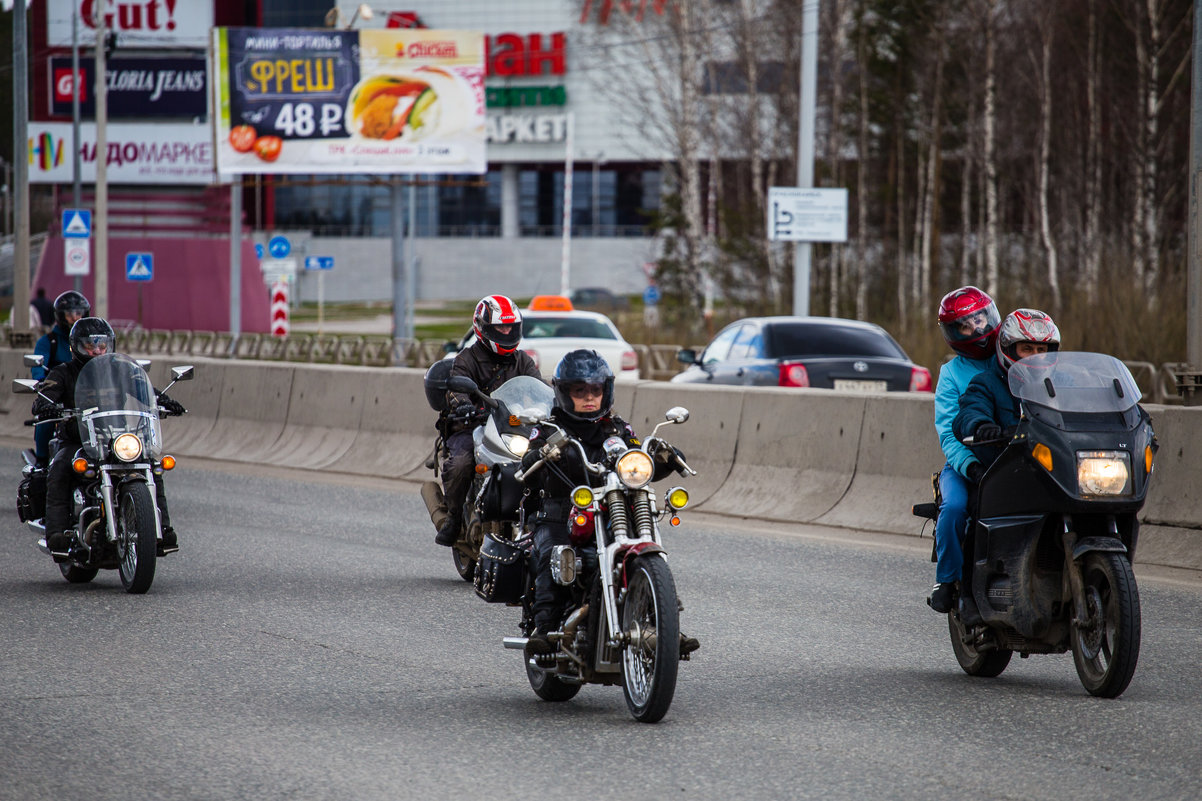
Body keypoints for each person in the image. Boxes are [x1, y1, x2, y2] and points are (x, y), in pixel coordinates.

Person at [519, 349, 697, 658]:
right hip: (561, 514)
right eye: (580, 391)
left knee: (647, 545)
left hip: (612, 509)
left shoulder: (618, 429)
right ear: (564, 392)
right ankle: (545, 630)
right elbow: (528, 461)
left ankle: (665, 623)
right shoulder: (550, 428)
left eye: (596, 390)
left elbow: (635, 455)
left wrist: (661, 456)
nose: (589, 397)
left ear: (606, 391)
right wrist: (540, 454)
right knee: (556, 556)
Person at [32, 318, 184, 559]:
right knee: (60, 466)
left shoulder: (120, 370)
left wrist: (162, 401)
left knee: (152, 466)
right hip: (78, 439)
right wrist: (45, 404)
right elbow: (46, 392)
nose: (97, 350)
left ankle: (162, 529)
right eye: (90, 345)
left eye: (102, 345)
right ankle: (57, 533)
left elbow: (143, 390)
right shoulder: (63, 372)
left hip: (116, 437)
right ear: (76, 347)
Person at [435, 294, 541, 546]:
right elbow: (456, 388)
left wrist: (552, 406)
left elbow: (538, 388)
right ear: (482, 328)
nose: (506, 332)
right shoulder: (466, 359)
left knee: (544, 460)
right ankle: (454, 517)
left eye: (510, 327)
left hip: (511, 427)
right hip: (472, 426)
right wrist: (463, 406)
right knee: (461, 463)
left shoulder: (522, 360)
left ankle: (541, 518)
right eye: (500, 328)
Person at [927, 287, 1001, 614]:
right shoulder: (950, 374)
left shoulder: (1013, 357)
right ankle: (947, 581)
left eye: (980, 318)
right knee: (956, 508)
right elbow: (947, 430)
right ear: (954, 333)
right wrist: (971, 466)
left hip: (1013, 458)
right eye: (966, 325)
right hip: (966, 465)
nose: (977, 328)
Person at [953, 309, 1061, 471]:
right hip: (1005, 467)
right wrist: (982, 426)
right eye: (1027, 349)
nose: (1035, 356)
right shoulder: (986, 383)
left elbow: (1083, 404)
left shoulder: (1062, 383)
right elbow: (970, 411)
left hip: (1057, 465)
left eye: (1041, 350)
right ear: (1008, 348)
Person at [31, 291, 92, 466]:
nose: (75, 317)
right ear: (60, 316)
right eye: (70, 313)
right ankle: (42, 462)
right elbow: (37, 367)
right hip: (58, 394)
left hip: (86, 393)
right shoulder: (49, 341)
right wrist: (43, 383)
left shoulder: (90, 342)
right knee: (45, 420)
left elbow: (105, 365)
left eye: (79, 313)